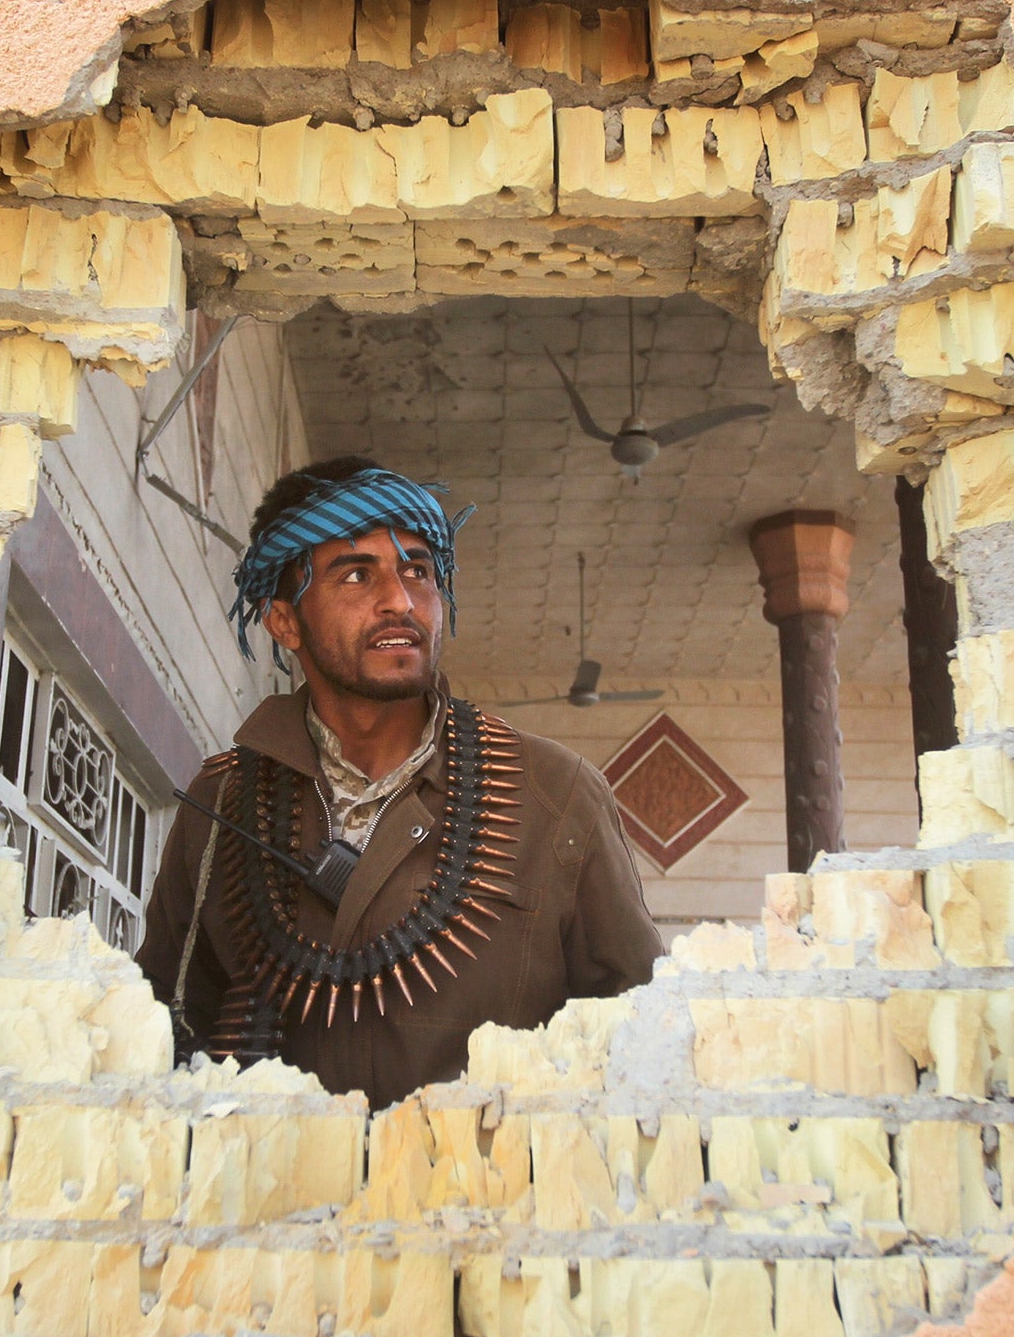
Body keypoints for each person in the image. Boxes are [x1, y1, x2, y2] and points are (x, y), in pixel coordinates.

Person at [134, 456, 661, 1108]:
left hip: (480, 1201)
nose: (400, 601)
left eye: (418, 571)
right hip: (271, 1189)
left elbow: (635, 1038)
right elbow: (166, 1023)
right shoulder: (221, 803)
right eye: (357, 574)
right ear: (284, 621)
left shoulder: (554, 794)